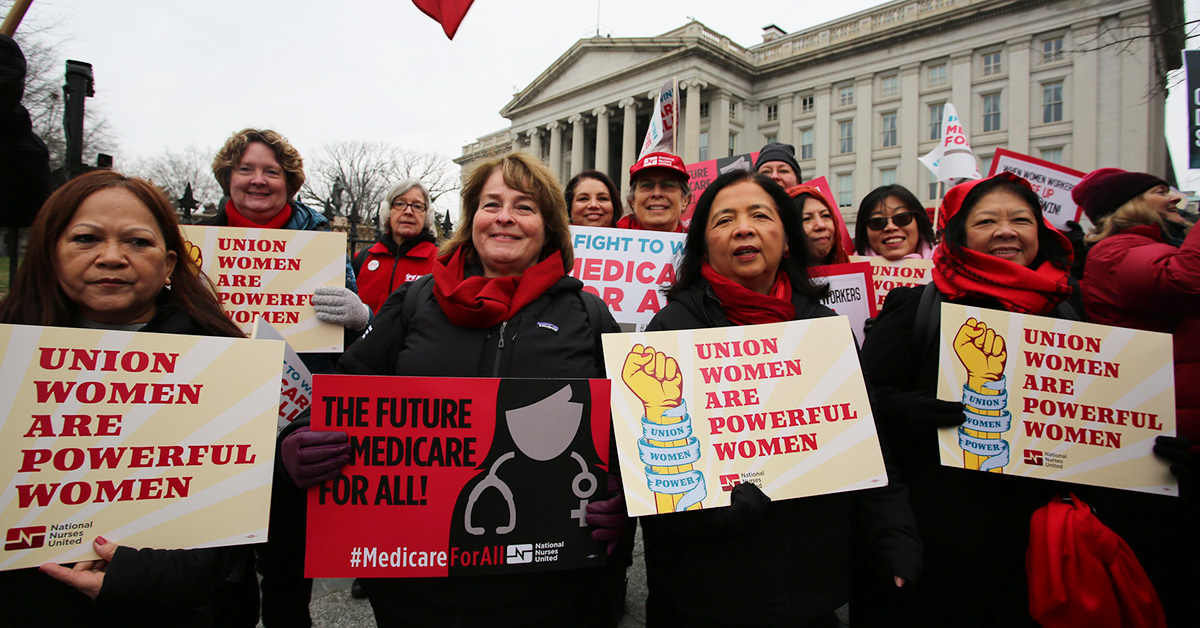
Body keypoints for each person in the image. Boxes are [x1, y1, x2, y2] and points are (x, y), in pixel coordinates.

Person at [280, 151, 628, 627]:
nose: (505, 216)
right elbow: (344, 385)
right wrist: (298, 437)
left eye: (524, 207)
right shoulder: (415, 300)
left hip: (548, 589)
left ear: (548, 227)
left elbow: (631, 431)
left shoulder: (588, 315)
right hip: (416, 588)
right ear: (472, 220)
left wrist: (626, 499)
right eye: (491, 204)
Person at [639, 170, 921, 627]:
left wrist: (894, 533)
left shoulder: (826, 327)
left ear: (786, 241)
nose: (743, 228)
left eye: (760, 215)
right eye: (723, 219)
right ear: (703, 245)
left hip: (810, 592)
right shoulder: (670, 330)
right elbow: (651, 470)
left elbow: (867, 440)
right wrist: (706, 516)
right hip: (701, 595)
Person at [0, 170, 251, 627]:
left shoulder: (224, 361)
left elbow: (231, 532)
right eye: (86, 238)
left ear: (171, 263)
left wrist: (140, 575)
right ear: (50, 251)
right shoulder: (7, 357)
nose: (112, 258)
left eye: (137, 242)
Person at [857, 172, 1098, 626]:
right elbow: (864, 400)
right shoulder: (917, 307)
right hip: (940, 537)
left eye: (1021, 220)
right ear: (958, 234)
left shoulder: (1068, 309)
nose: (1006, 231)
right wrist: (913, 408)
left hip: (1040, 542)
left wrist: (1149, 449)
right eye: (987, 221)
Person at [208, 128, 366, 627]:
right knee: (222, 573)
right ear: (226, 178)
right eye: (246, 169)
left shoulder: (320, 242)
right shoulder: (195, 246)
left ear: (290, 183)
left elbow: (352, 346)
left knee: (286, 573)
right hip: (216, 420)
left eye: (271, 172)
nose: (258, 181)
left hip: (295, 422)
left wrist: (360, 319)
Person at [1074, 167, 1200, 625]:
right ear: (1129, 205)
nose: (1175, 198)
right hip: (1163, 450)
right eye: (1160, 191)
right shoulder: (1117, 252)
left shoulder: (1158, 245)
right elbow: (1189, 279)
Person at [352, 179, 438, 313]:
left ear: (427, 216)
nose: (408, 211)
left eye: (417, 206)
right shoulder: (362, 259)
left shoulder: (441, 262)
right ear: (388, 211)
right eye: (400, 204)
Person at [854, 184, 936, 260]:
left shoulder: (946, 267)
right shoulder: (847, 272)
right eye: (877, 223)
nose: (890, 227)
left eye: (902, 218)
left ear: (919, 223)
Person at [617, 152, 689, 232]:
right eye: (646, 185)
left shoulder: (700, 243)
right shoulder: (607, 240)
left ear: (685, 200)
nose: (657, 193)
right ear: (632, 201)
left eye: (668, 185)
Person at [789, 185, 850, 266]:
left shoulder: (858, 272)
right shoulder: (770, 278)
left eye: (826, 216)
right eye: (806, 219)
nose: (821, 225)